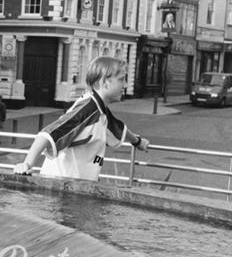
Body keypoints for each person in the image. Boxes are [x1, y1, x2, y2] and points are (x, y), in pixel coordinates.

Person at [12, 57, 150, 181]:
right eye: (121, 79)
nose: (125, 85)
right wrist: (27, 164)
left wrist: (138, 141)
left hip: (77, 190)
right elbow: (47, 135)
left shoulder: (100, 109)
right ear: (104, 82)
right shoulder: (88, 109)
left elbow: (119, 129)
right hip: (61, 190)